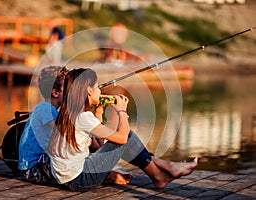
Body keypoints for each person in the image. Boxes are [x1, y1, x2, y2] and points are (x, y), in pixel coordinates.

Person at [49, 68, 198, 192]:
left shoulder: (69, 113)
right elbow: (123, 139)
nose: (100, 91)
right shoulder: (83, 117)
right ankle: (159, 175)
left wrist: (99, 112)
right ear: (89, 91)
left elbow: (98, 145)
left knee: (122, 137)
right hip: (79, 179)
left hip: (67, 179)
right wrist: (121, 111)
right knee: (127, 136)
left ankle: (163, 170)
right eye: (97, 87)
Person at [18, 66, 68, 176]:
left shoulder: (51, 110)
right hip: (34, 169)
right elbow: (61, 129)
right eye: (68, 87)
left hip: (40, 165)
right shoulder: (45, 107)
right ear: (55, 92)